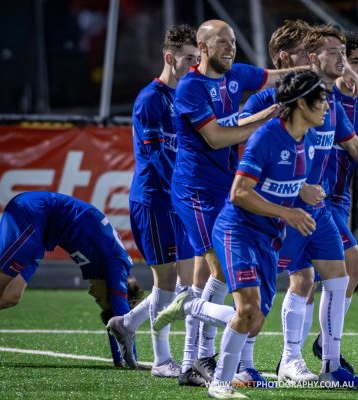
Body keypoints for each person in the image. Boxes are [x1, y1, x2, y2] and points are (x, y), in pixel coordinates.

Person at [154, 69, 328, 399]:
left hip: (267, 237)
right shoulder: (266, 138)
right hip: (238, 231)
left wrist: (300, 193)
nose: (326, 105)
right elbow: (238, 192)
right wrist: (286, 212)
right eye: (320, 99)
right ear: (301, 103)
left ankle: (193, 305)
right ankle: (220, 383)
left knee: (254, 321)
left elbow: (281, 184)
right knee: (246, 310)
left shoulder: (307, 140)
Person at [240, 25, 358, 387]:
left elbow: (353, 144)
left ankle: (328, 366)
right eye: (336, 53)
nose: (344, 60)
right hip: (279, 209)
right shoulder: (275, 100)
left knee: (339, 274)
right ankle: (241, 360)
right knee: (257, 285)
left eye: (347, 53)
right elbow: (247, 151)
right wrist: (299, 186)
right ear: (311, 58)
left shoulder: (331, 101)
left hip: (319, 208)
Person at [171, 19, 310, 384]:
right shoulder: (190, 87)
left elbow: (278, 75)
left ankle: (196, 360)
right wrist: (265, 118)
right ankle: (197, 355)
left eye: (232, 41)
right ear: (202, 47)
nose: (229, 47)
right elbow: (216, 138)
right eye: (221, 42)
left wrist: (321, 68)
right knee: (219, 271)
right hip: (197, 191)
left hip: (225, 187)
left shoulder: (238, 75)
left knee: (223, 278)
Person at [105, 24, 203, 382]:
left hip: (178, 201)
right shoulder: (150, 98)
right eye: (189, 58)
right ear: (169, 58)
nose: (195, 65)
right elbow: (157, 156)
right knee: (166, 283)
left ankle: (126, 324)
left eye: (198, 59)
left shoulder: (187, 97)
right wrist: (185, 189)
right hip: (155, 201)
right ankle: (163, 360)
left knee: (188, 286)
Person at [0, 191, 142, 369]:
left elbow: (115, 322)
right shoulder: (117, 265)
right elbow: (120, 316)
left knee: (10, 296)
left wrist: (119, 362)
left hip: (43, 232)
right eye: (98, 298)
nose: (90, 292)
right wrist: (132, 361)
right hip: (34, 211)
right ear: (111, 290)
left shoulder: (116, 267)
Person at [311, 29, 358, 366]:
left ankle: (318, 348)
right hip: (316, 196)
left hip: (340, 199)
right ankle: (327, 351)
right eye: (354, 60)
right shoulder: (323, 95)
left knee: (333, 272)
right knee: (351, 264)